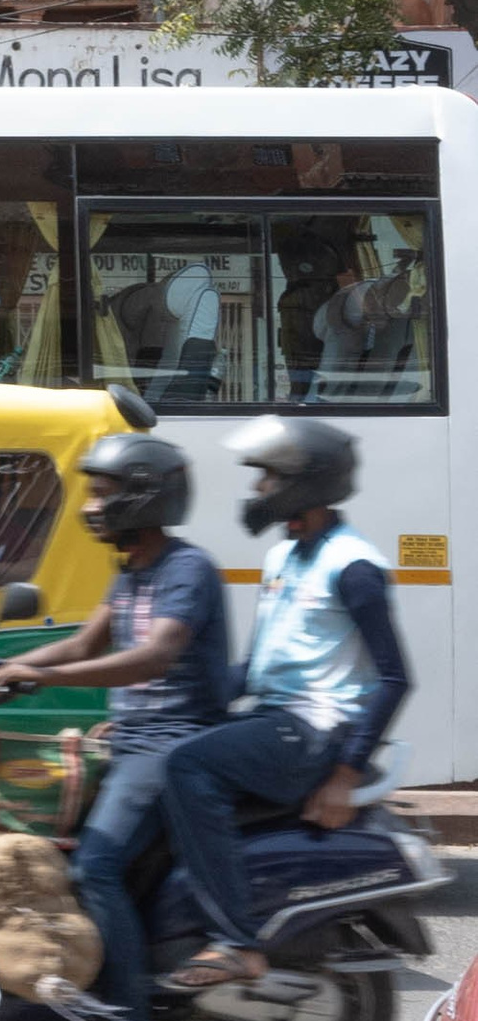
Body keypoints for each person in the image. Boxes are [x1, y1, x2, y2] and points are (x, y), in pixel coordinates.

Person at [0, 431, 228, 1021]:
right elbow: (84, 643)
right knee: (49, 848)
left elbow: (154, 657)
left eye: (103, 492)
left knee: (97, 865)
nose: (90, 505)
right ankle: (61, 1015)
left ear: (144, 496)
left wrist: (43, 678)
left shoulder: (186, 569)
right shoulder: (132, 569)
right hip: (132, 737)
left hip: (171, 741)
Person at [156, 413, 410, 989]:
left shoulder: (354, 566)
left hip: (318, 728)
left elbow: (395, 678)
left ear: (305, 481)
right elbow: (257, 668)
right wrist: (167, 709)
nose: (257, 489)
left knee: (188, 766)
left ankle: (236, 943)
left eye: (267, 477)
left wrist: (345, 773)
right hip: (278, 719)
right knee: (165, 753)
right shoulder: (283, 558)